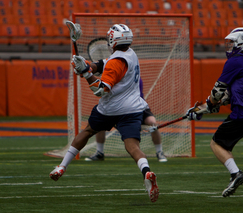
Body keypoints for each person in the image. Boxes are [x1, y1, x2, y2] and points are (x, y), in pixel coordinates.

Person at [49, 24, 159, 202]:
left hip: (110, 108)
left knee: (88, 131)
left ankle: (62, 167)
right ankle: (147, 172)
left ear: (113, 40)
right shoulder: (130, 54)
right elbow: (102, 65)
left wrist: (85, 72)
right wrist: (86, 65)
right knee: (132, 146)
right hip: (132, 109)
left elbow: (101, 90)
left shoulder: (117, 62)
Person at [187, 27, 243, 206]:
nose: (228, 46)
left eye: (231, 42)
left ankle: (235, 174)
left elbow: (218, 91)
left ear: (241, 42)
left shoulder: (235, 61)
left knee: (216, 143)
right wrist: (203, 109)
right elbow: (228, 96)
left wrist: (208, 105)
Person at [87, 78, 167, 162]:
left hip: (137, 107)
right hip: (117, 108)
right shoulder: (114, 78)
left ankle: (159, 152)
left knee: (152, 123)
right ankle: (99, 152)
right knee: (101, 123)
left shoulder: (136, 79)